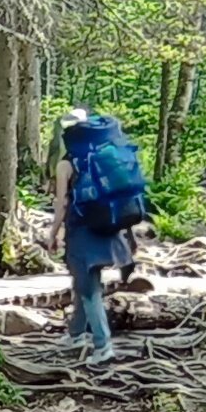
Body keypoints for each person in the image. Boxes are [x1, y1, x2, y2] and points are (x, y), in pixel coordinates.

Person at [54, 109, 150, 364]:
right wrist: (130, 236)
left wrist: (52, 234)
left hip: (82, 233)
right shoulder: (106, 155)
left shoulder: (66, 164)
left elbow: (62, 204)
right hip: (110, 228)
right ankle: (76, 334)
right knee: (83, 284)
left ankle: (102, 346)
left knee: (89, 291)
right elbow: (121, 198)